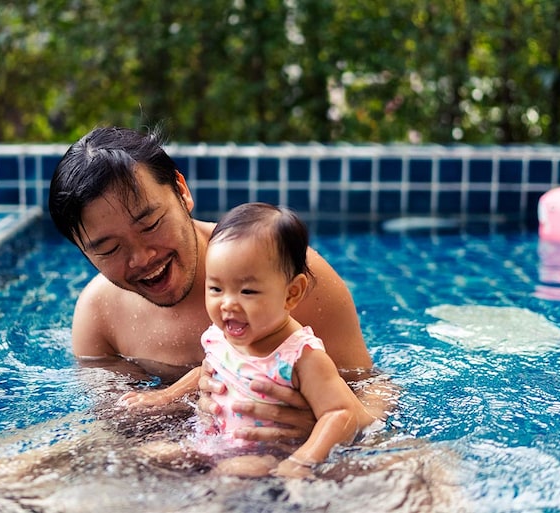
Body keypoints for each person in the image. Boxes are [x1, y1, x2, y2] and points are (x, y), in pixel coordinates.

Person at [48, 126, 394, 442]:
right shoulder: (99, 317)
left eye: (151, 224)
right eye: (109, 248)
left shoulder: (281, 275)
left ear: (182, 191)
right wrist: (176, 404)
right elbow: (120, 431)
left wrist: (324, 429)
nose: (142, 257)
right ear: (84, 252)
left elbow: (373, 389)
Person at [119, 203, 374, 478]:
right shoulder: (222, 337)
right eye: (216, 288)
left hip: (268, 453)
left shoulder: (300, 357)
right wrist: (164, 397)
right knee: (144, 456)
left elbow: (341, 413)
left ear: (292, 293)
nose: (228, 304)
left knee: (230, 474)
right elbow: (205, 372)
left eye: (248, 291)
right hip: (213, 442)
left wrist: (302, 460)